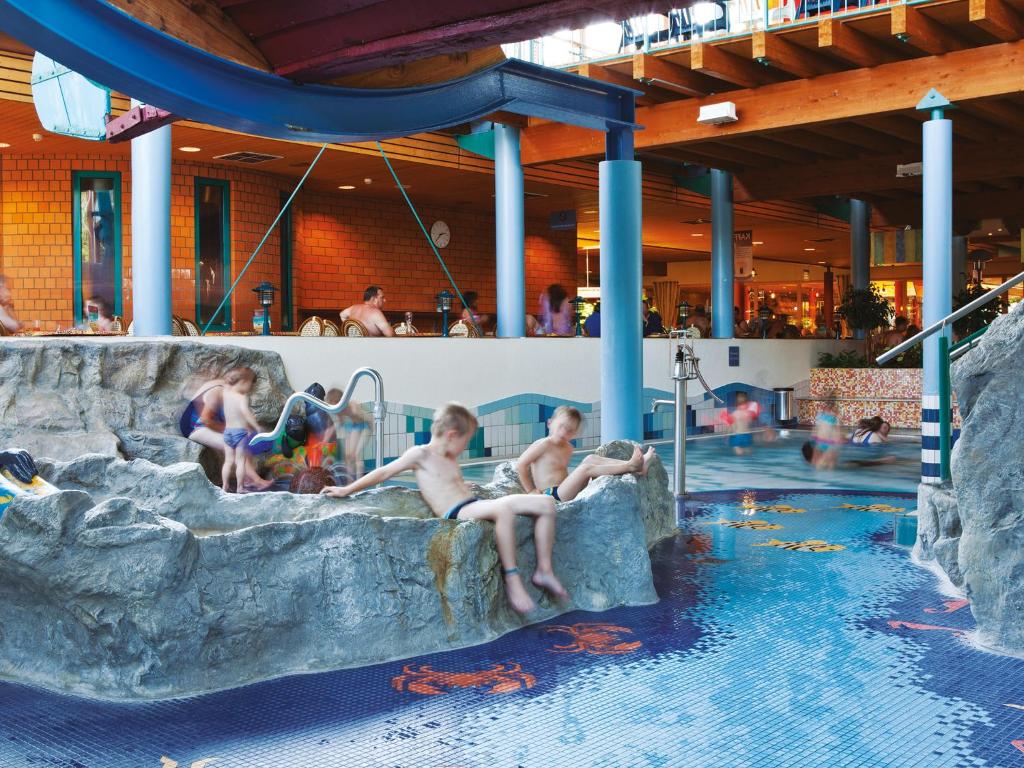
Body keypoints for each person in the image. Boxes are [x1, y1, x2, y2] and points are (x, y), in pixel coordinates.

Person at [322, 402, 566, 614]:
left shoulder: (448, 458)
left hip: (473, 504)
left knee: (547, 504)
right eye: (465, 441)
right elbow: (384, 472)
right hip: (457, 511)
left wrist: (463, 484)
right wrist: (346, 489)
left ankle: (544, 570)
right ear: (451, 435)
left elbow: (447, 482)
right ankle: (512, 578)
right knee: (503, 509)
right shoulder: (420, 454)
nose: (464, 448)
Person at [515, 406, 655, 503]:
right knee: (585, 468)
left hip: (565, 490)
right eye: (561, 426)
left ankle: (637, 466)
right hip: (551, 495)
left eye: (570, 431)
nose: (564, 433)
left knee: (590, 458)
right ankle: (631, 466)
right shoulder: (543, 445)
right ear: (550, 423)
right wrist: (531, 490)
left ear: (575, 434)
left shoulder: (568, 448)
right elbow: (521, 465)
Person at [181, 370, 272, 491]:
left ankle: (247, 480)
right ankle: (256, 481)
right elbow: (206, 420)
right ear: (244, 382)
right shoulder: (218, 391)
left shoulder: (229, 392)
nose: (248, 391)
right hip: (195, 427)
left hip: (208, 424)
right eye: (249, 387)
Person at [220, 367, 265, 494]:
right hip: (239, 433)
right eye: (249, 385)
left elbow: (224, 382)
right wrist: (256, 426)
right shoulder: (241, 397)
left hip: (227, 432)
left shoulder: (226, 393)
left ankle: (224, 486)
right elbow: (246, 413)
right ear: (244, 382)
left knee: (228, 461)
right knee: (240, 461)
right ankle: (240, 487)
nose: (249, 388)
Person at [803, 398, 842, 469]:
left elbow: (836, 429)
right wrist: (813, 436)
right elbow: (816, 428)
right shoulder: (820, 415)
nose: (826, 407)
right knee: (820, 464)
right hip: (821, 442)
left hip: (830, 443)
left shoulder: (834, 416)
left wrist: (837, 439)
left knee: (830, 463)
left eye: (828, 406)